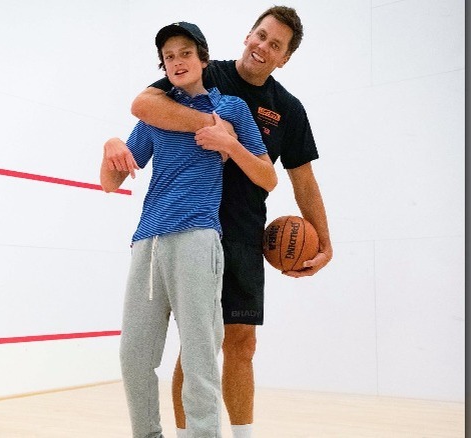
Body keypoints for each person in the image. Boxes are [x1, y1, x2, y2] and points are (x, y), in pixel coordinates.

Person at [120, 6, 334, 438]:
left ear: (284, 58)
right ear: (247, 35)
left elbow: (301, 179)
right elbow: (144, 105)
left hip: (244, 233)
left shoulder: (288, 109)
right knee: (197, 349)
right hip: (191, 229)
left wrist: (325, 244)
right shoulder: (206, 72)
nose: (263, 46)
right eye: (260, 35)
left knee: (241, 345)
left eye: (275, 44)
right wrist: (215, 127)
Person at [100, 21, 276, 438]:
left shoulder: (231, 109)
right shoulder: (156, 113)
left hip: (198, 238)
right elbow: (111, 182)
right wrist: (111, 144)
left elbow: (268, 177)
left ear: (203, 59)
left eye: (184, 53)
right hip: (147, 242)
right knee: (134, 356)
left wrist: (229, 145)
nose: (177, 62)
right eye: (169, 57)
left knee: (199, 355)